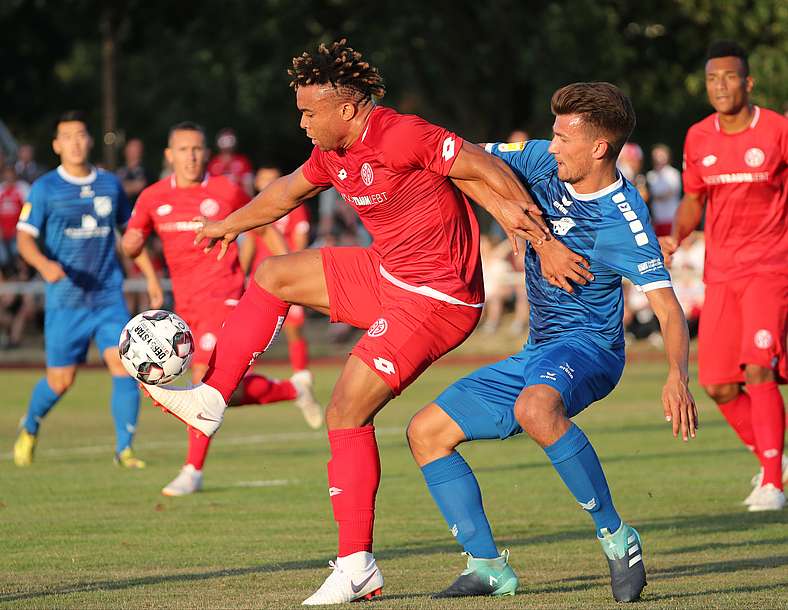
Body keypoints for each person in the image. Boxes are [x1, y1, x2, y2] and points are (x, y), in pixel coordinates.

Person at [140, 39, 589, 605]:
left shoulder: (402, 134)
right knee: (275, 273)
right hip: (387, 273)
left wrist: (542, 243)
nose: (301, 122)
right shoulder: (334, 152)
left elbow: (486, 169)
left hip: (437, 298)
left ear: (347, 109)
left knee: (346, 411)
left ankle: (357, 566)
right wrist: (231, 224)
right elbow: (285, 191)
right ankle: (211, 399)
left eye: (309, 112)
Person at [406, 82, 698, 603]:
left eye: (563, 138)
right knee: (426, 432)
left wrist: (677, 374)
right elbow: (459, 158)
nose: (552, 145)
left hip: (591, 349)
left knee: (536, 408)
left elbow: (668, 308)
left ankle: (616, 536)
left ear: (599, 149)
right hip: (539, 349)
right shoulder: (543, 159)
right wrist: (506, 208)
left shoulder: (624, 218)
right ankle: (488, 567)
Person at [121, 123, 323, 496]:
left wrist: (294, 271)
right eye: (183, 149)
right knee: (227, 391)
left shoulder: (225, 190)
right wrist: (142, 263)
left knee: (203, 379)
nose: (191, 156)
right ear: (169, 155)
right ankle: (292, 391)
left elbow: (262, 228)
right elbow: (132, 243)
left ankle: (192, 471)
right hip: (184, 311)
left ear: (206, 153)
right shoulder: (152, 197)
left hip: (225, 298)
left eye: (197, 148)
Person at [661, 40, 788, 512]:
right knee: (717, 384)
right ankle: (774, 458)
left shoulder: (777, 130)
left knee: (759, 367)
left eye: (730, 77)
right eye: (713, 79)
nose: (721, 86)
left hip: (772, 267)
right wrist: (677, 235)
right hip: (722, 271)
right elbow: (694, 197)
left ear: (748, 82)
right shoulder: (698, 137)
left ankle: (772, 482)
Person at [12, 111, 163, 468]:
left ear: (89, 139)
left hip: (107, 297)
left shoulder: (110, 184)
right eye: (68, 137)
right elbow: (24, 240)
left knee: (123, 366)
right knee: (61, 381)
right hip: (66, 301)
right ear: (56, 145)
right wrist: (44, 264)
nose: (76, 142)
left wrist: (151, 278)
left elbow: (132, 238)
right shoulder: (45, 188)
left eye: (81, 135)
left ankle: (125, 449)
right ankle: (30, 425)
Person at [239, 166, 313, 374]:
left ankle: (301, 377)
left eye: (273, 179)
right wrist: (240, 275)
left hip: (288, 277)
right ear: (256, 183)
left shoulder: (295, 206)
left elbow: (300, 242)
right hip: (260, 277)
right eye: (264, 180)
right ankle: (243, 376)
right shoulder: (255, 208)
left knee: (294, 329)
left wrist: (295, 270)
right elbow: (250, 245)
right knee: (250, 331)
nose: (269, 184)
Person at [646, 144, 681, 236]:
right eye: (657, 155)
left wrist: (652, 196)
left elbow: (670, 193)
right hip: (657, 218)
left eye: (661, 155)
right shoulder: (651, 175)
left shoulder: (673, 173)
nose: (659, 158)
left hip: (671, 217)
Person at [207, 128, 254, 196]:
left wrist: (249, 202)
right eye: (224, 140)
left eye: (229, 139)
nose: (227, 143)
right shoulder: (213, 163)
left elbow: (248, 185)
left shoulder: (243, 162)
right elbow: (209, 187)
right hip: (219, 201)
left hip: (240, 201)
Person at [116, 138, 149, 205]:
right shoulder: (120, 170)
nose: (133, 151)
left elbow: (140, 186)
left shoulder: (146, 171)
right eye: (131, 147)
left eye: (136, 148)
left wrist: (123, 186)